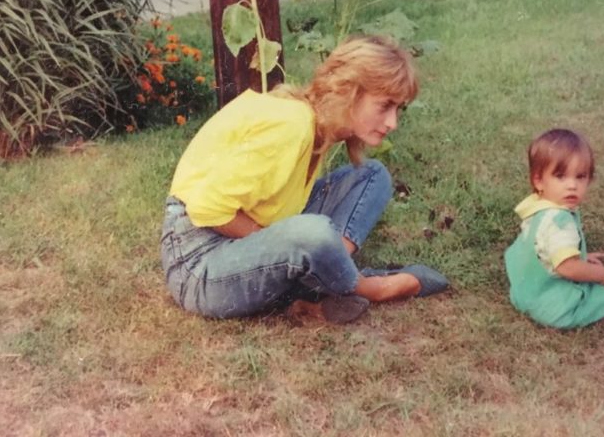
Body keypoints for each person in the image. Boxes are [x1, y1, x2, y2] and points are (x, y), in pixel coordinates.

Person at [160, 35, 448, 323]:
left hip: (239, 239)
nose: (392, 123)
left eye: (398, 109)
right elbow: (205, 209)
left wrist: (297, 247)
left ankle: (326, 273)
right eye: (384, 106)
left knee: (372, 176)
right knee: (313, 233)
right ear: (348, 91)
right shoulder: (292, 125)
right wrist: (288, 244)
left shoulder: (313, 123)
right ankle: (370, 287)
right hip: (198, 264)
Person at [504, 128, 604, 329]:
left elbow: (542, 248)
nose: (572, 186)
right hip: (553, 307)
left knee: (580, 267)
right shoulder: (560, 222)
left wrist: (578, 256)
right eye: (560, 176)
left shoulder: (537, 206)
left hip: (524, 292)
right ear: (538, 180)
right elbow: (567, 268)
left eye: (580, 176)